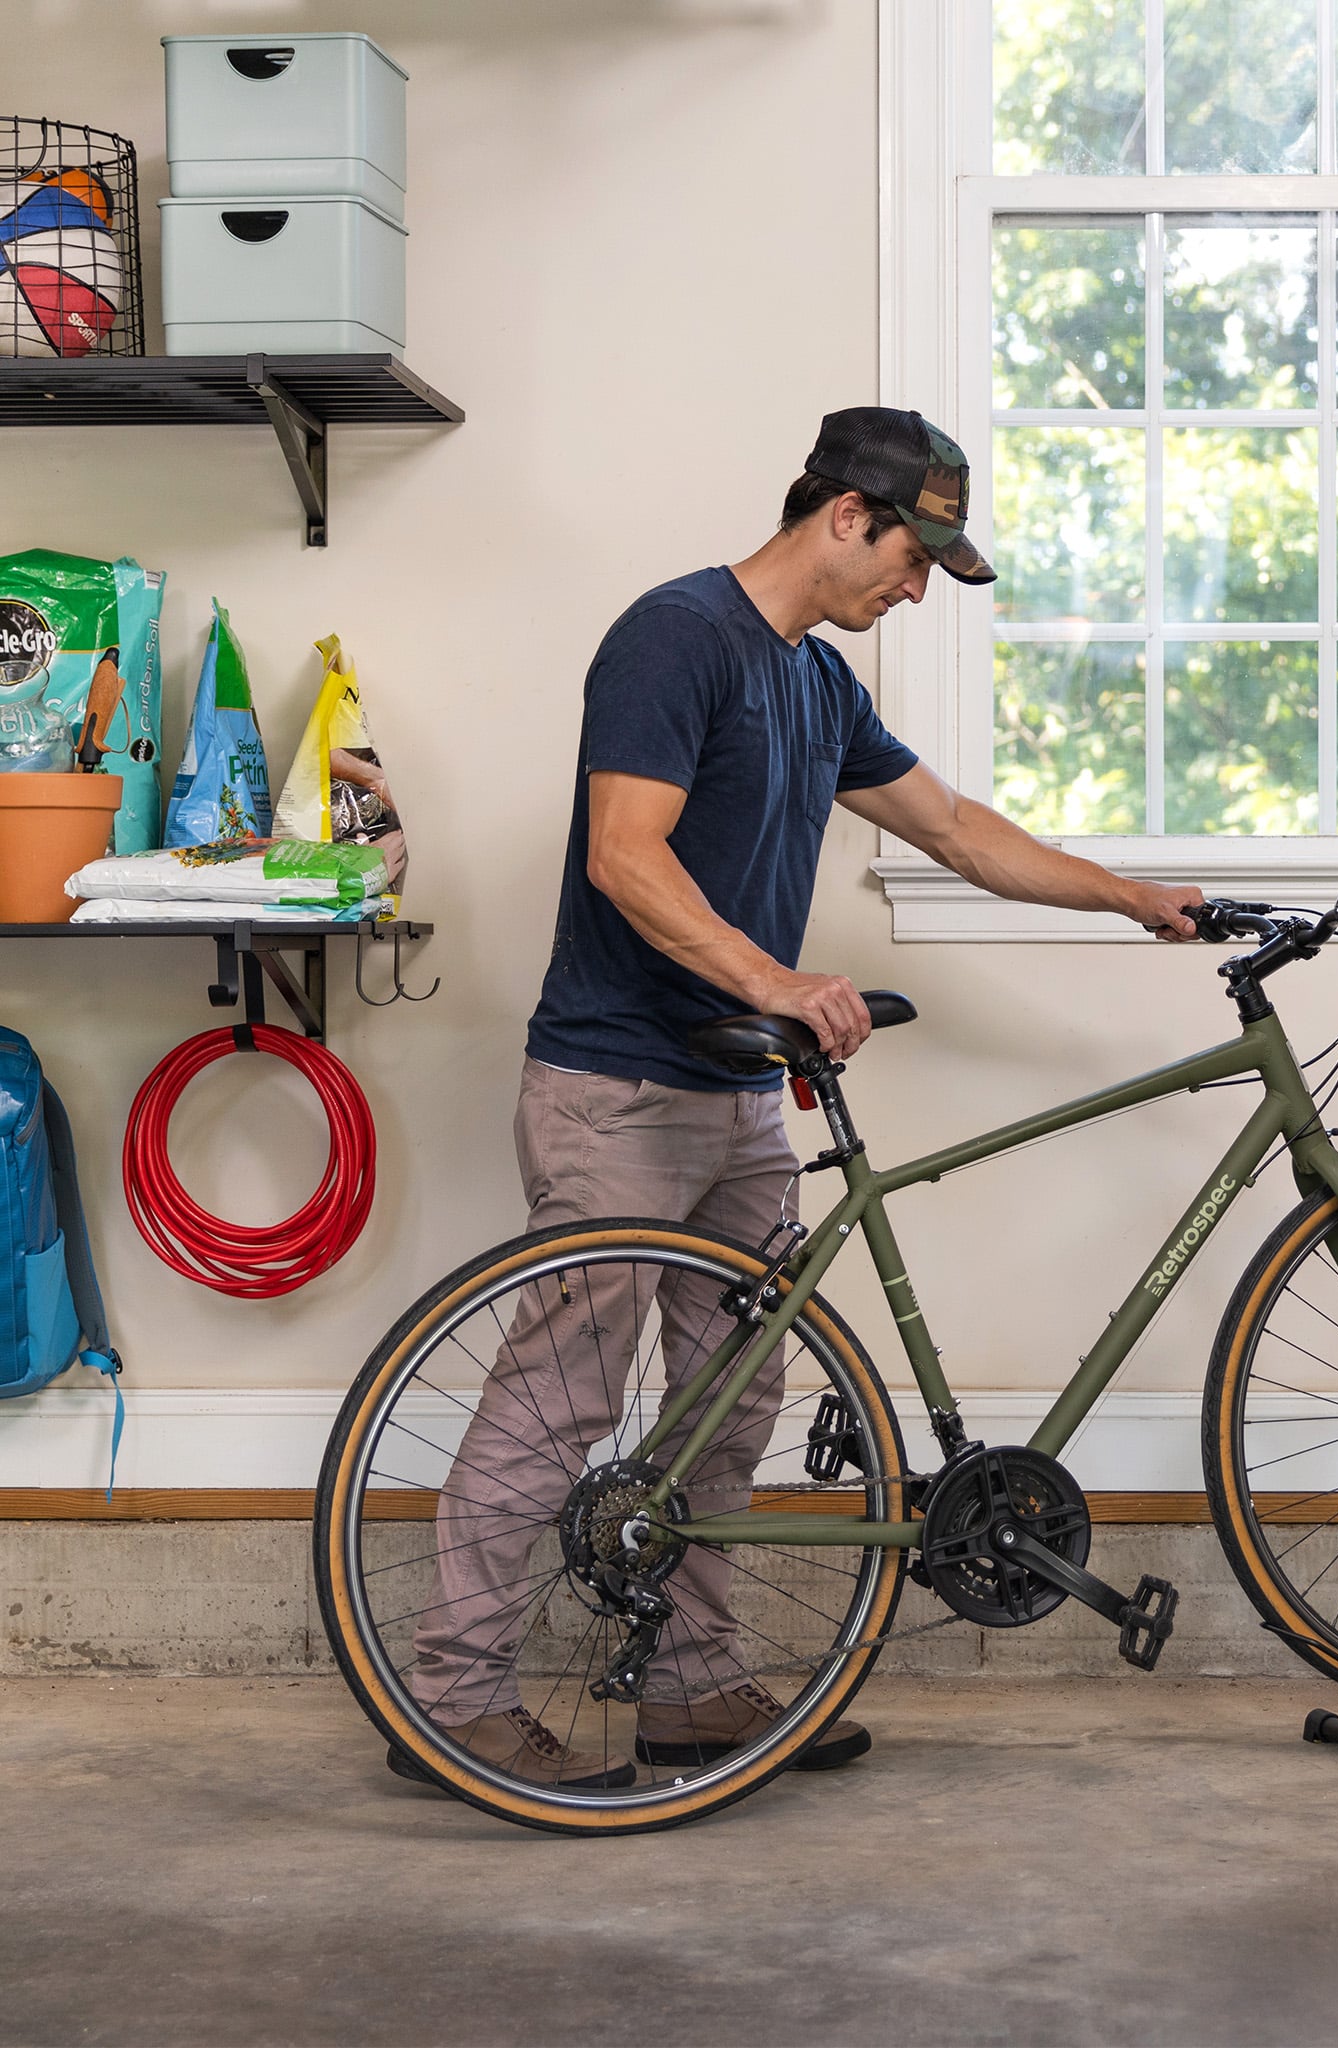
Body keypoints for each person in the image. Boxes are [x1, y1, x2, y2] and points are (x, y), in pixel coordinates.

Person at [401, 407, 1204, 1790]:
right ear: (845, 515)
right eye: (910, 558)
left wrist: (1138, 901)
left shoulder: (817, 686)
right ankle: (453, 1696)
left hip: (736, 1097)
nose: (912, 590)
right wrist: (775, 977)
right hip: (615, 1086)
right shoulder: (675, 636)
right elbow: (623, 857)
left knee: (731, 1398)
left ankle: (696, 1688)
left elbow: (956, 831)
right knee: (561, 1397)